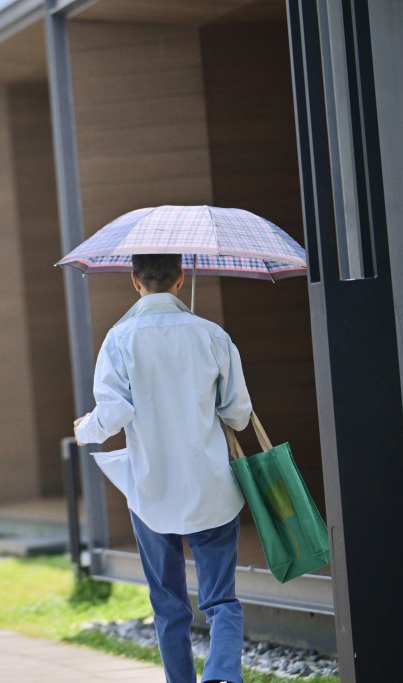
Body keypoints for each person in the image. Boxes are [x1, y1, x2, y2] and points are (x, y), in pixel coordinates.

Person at [73, 254, 251, 683]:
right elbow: (239, 416)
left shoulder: (119, 339)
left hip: (152, 492)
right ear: (181, 278)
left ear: (135, 280)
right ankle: (222, 676)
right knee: (221, 600)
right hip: (212, 488)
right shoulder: (212, 335)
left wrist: (85, 429)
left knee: (168, 604)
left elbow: (112, 414)